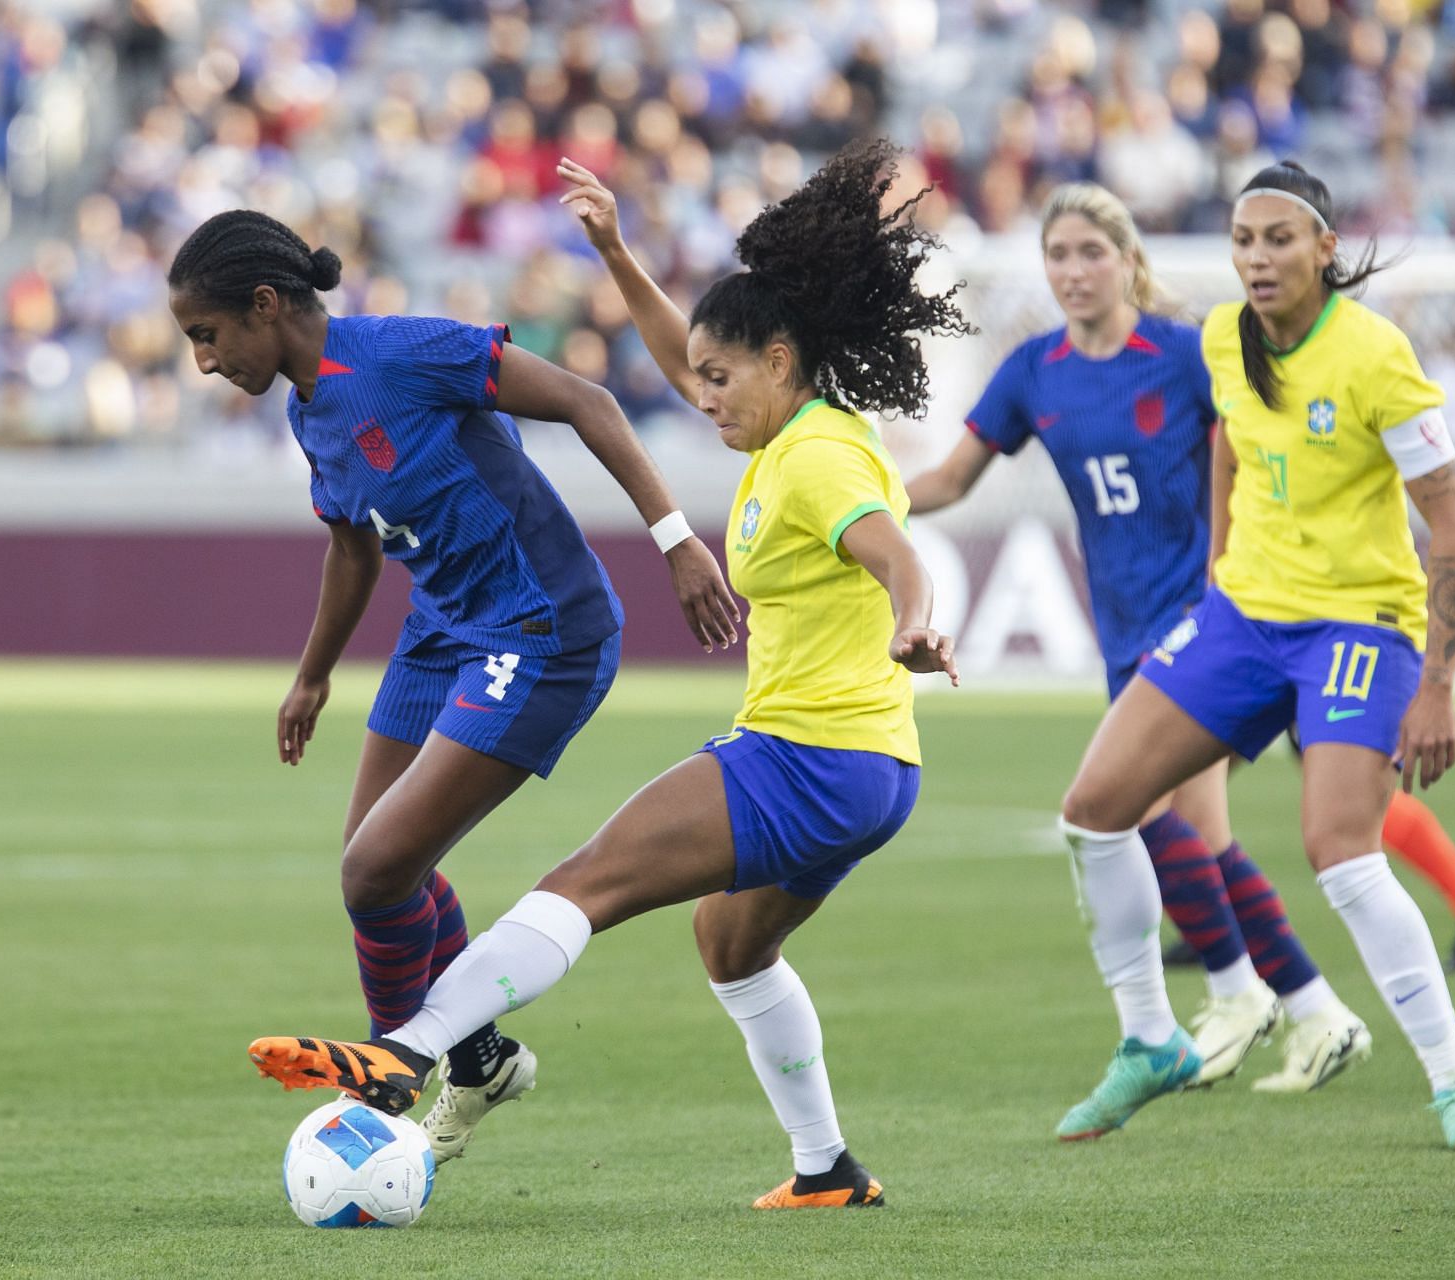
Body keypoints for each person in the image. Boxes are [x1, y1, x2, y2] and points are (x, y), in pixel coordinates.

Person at [246, 140, 967, 1209]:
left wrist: (915, 621)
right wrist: (622, 255)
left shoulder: (817, 458)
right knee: (730, 942)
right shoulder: (784, 436)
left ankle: (411, 1049)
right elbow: (685, 360)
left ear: (780, 359)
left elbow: (898, 554)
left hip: (812, 754)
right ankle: (826, 1167)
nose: (700, 397)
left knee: (584, 880)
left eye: (722, 379)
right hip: (867, 770)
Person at [166, 209, 737, 1164]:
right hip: (442, 633)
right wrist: (312, 676)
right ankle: (476, 1058)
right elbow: (352, 545)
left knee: (373, 870)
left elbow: (588, 400)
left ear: (265, 306)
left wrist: (677, 543)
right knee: (379, 870)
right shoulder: (310, 407)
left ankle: (400, 1074)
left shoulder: (403, 353)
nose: (204, 361)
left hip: (538, 627)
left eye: (207, 335)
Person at [1051, 161, 1455, 1150]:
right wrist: (1220, 559)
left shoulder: (1376, 355)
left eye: (1278, 239)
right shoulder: (1223, 336)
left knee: (1338, 847)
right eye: (1243, 241)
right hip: (1242, 618)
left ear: (1326, 249)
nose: (1256, 258)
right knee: (1091, 809)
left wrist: (1438, 685)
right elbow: (1231, 437)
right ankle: (1150, 1040)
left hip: (1358, 627)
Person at [906, 182, 1371, 1096]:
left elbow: (1261, 452)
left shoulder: (1187, 349)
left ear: (1129, 260)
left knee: (1148, 817)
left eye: (1091, 253)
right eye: (1059, 256)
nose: (1074, 272)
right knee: (1193, 831)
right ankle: (1313, 1011)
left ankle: (1259, 998)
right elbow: (955, 479)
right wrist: (860, 503)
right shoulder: (1034, 369)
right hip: (1122, 629)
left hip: (1204, 622)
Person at [1166, 755, 1455, 972]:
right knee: (1187, 772)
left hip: (1291, 644)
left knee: (1351, 791)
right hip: (1268, 641)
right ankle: (1206, 925)